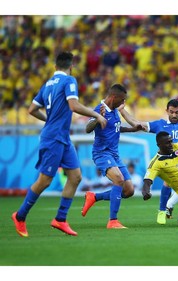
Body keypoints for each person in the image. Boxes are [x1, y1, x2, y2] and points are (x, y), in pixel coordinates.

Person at [11, 51, 108, 237]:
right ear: (71, 66)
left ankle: (60, 219)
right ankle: (20, 216)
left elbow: (32, 109)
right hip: (54, 138)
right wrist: (96, 115)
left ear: (55, 66)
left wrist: (49, 120)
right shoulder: (69, 81)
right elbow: (73, 106)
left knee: (76, 176)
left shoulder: (47, 84)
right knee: (44, 180)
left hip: (62, 137)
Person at [81, 84, 143, 229]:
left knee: (129, 190)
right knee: (118, 179)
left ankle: (94, 197)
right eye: (122, 100)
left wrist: (131, 129)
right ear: (113, 97)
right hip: (102, 153)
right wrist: (98, 118)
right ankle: (112, 221)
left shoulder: (115, 110)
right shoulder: (99, 109)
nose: (123, 103)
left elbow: (115, 128)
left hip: (115, 155)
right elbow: (87, 128)